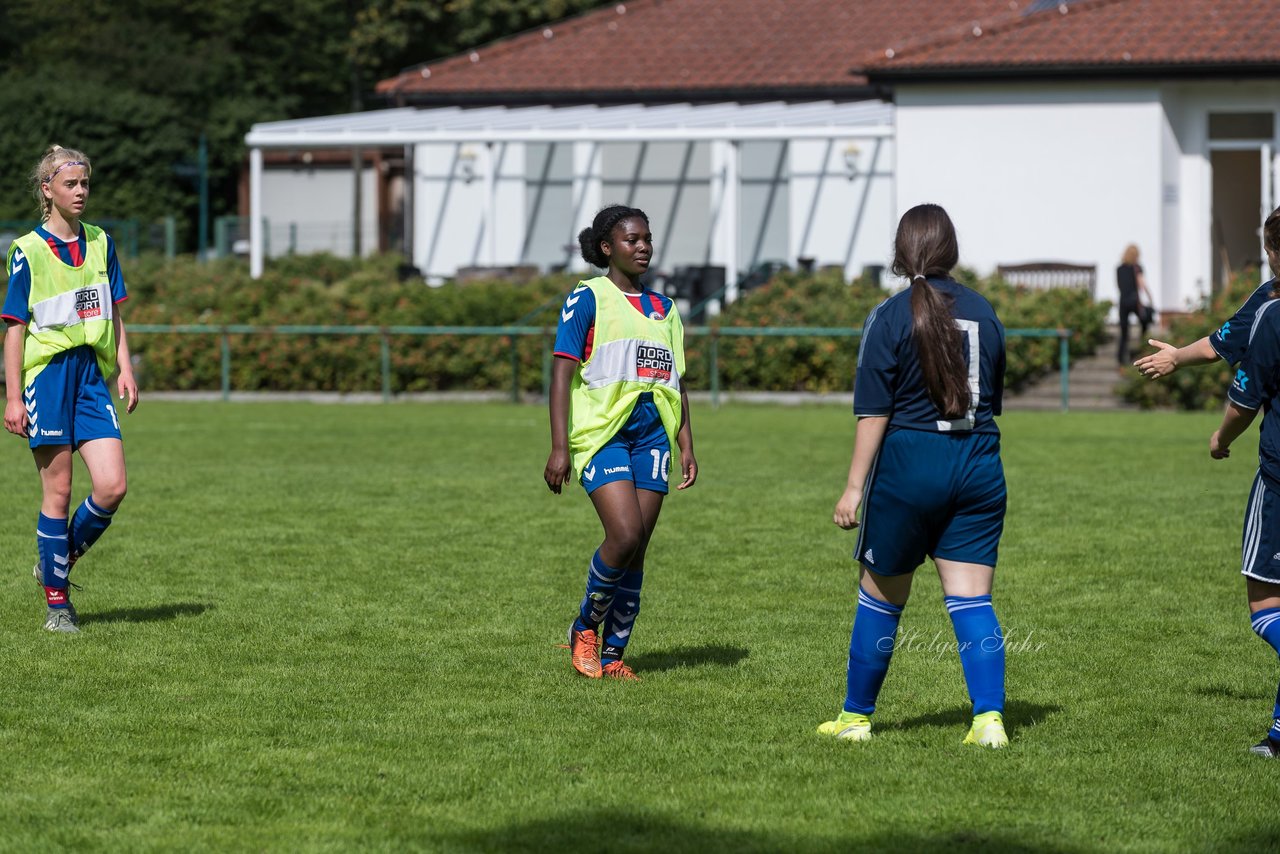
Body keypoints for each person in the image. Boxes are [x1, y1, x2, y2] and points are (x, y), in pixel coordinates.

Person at [818, 203, 1010, 747]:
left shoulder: (889, 314)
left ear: (901, 255)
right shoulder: (987, 311)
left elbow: (873, 411)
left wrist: (854, 488)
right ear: (952, 250)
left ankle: (856, 720)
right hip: (979, 463)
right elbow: (991, 398)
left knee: (880, 598)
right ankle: (989, 721)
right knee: (972, 600)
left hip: (909, 465)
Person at [544, 204, 697, 680]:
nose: (643, 247)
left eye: (647, 238)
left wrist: (687, 444)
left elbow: (677, 383)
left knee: (639, 546)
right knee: (624, 534)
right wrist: (558, 447)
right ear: (608, 248)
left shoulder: (666, 310)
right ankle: (585, 627)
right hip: (603, 433)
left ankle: (613, 655)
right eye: (632, 240)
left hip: (653, 435)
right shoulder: (588, 297)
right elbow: (561, 373)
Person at [2, 145, 139, 633]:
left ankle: (54, 565)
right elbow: (14, 327)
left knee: (112, 485)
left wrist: (123, 366)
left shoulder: (101, 241)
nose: (80, 192)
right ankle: (57, 607)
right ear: (48, 191)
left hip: (91, 377)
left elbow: (113, 310)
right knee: (58, 492)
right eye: (70, 185)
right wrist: (13, 396)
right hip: (48, 378)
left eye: (85, 184)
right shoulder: (28, 251)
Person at [1206, 231, 1280, 757]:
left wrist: (1219, 439)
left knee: (1267, 607)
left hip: (1279, 483)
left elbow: (1245, 400)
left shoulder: (1274, 316)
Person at [1135, 206, 1280, 380]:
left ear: (1276, 254)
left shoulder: (1268, 297)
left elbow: (1214, 348)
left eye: (1267, 252)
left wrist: (1175, 358)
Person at [1116, 243, 1155, 368]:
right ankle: (1142, 345)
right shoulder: (1137, 267)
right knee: (1145, 320)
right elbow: (1141, 284)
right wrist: (1150, 298)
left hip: (1123, 302)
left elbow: (1119, 285)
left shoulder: (1119, 268)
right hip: (1133, 301)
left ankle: (1121, 358)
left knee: (1124, 331)